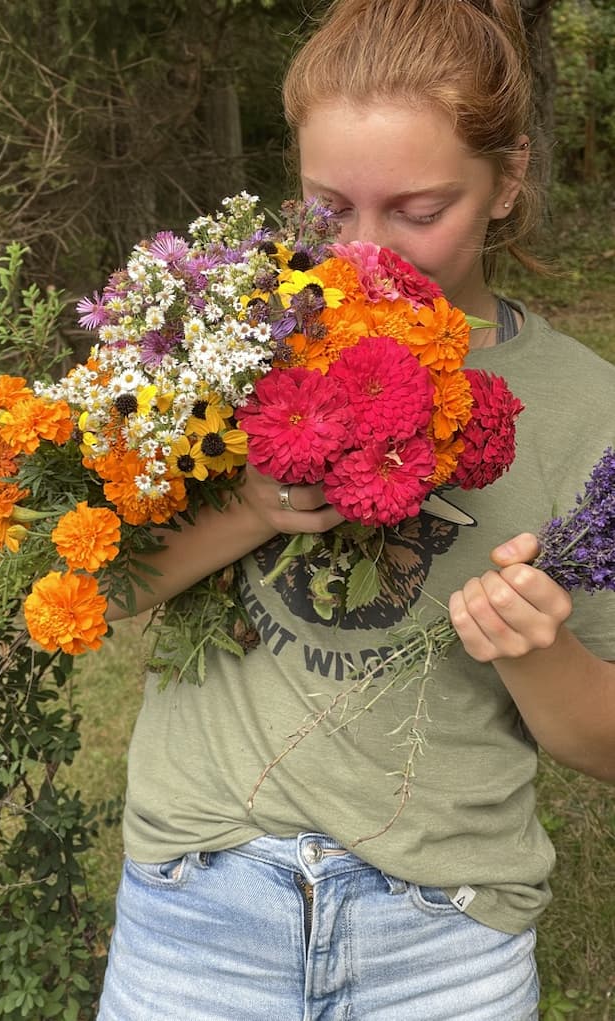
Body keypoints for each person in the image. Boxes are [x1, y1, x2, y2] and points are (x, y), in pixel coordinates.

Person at [96, 2, 615, 1018]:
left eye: (418, 210)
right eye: (328, 209)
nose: (365, 254)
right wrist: (250, 506)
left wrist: (532, 648)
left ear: (507, 182)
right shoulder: (225, 334)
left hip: (442, 938)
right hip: (197, 910)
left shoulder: (585, 411)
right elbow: (110, 588)